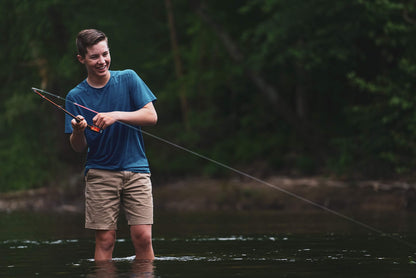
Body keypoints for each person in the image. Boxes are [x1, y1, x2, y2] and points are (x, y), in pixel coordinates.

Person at [64, 29, 157, 262]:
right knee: (106, 239)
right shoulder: (75, 96)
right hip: (100, 172)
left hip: (136, 169)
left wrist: (116, 115)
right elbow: (78, 147)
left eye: (105, 54)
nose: (102, 61)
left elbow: (151, 116)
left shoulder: (128, 78)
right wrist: (78, 131)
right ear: (81, 59)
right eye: (94, 56)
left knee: (143, 237)